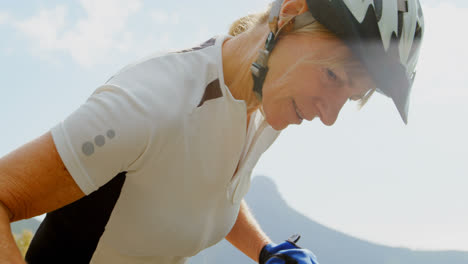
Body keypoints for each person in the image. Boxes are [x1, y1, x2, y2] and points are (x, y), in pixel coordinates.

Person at [0, 0, 424, 263]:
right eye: (333, 76)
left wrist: (266, 251)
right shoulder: (148, 105)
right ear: (290, 15)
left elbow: (202, 182)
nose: (329, 116)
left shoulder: (266, 103)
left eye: (349, 97)